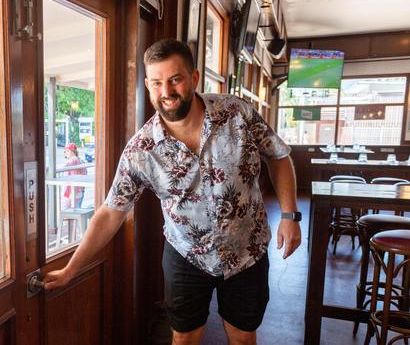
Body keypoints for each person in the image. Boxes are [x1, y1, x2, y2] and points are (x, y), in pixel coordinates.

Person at [44, 39, 301, 345]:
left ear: (193, 78)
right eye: (156, 83)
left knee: (243, 338)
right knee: (183, 339)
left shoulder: (236, 113)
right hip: (186, 256)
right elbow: (111, 212)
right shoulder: (141, 150)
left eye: (175, 79)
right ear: (148, 86)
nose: (166, 92)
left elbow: (278, 155)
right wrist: (72, 269)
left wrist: (289, 214)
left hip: (247, 250)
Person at [62, 142, 87, 209]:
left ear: (72, 151)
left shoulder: (73, 159)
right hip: (79, 191)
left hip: (72, 192)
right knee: (75, 211)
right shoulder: (80, 160)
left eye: (67, 151)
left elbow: (63, 167)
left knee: (66, 212)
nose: (65, 153)